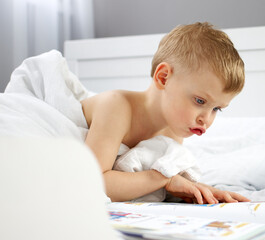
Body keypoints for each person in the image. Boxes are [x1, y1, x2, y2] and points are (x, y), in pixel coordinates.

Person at [81, 22, 249, 204]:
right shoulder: (116, 106)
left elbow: (158, 183)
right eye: (200, 101)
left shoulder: (172, 130)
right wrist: (164, 177)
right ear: (163, 77)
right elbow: (92, 183)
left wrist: (196, 190)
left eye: (216, 109)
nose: (206, 120)